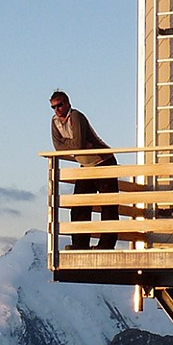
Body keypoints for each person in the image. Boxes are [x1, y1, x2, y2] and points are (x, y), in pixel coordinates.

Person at [49, 90, 118, 250]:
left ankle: (106, 245)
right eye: (53, 107)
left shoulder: (76, 117)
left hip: (103, 161)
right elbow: (58, 147)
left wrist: (70, 144)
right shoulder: (54, 122)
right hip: (86, 165)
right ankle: (80, 244)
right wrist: (73, 144)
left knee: (108, 206)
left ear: (67, 103)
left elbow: (77, 145)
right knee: (79, 205)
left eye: (59, 105)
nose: (57, 110)